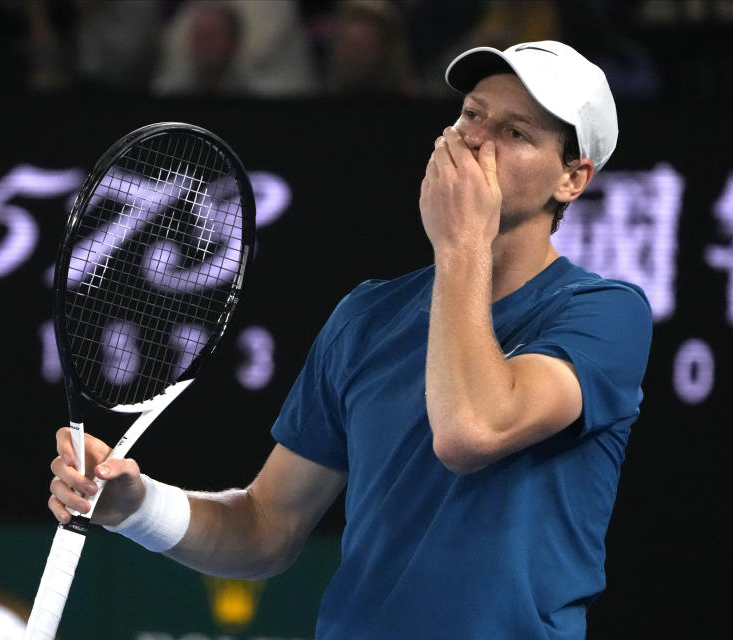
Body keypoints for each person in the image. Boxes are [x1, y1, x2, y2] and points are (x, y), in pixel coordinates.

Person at [48, 41, 653, 639]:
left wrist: (461, 243)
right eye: (471, 113)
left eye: (516, 133)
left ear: (572, 178)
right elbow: (265, 528)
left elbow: (472, 429)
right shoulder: (367, 316)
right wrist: (136, 507)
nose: (475, 140)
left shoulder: (603, 316)